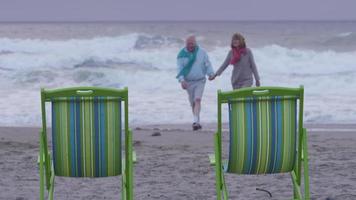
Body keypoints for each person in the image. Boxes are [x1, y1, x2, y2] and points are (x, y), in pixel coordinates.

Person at [176, 36, 215, 131]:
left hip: (200, 80)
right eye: (188, 44)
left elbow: (207, 64)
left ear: (195, 43)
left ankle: (195, 122)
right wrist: (182, 80)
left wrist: (211, 74)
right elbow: (180, 69)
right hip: (188, 82)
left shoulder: (202, 52)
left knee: (198, 99)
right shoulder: (181, 55)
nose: (190, 46)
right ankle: (197, 121)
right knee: (193, 103)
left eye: (192, 44)